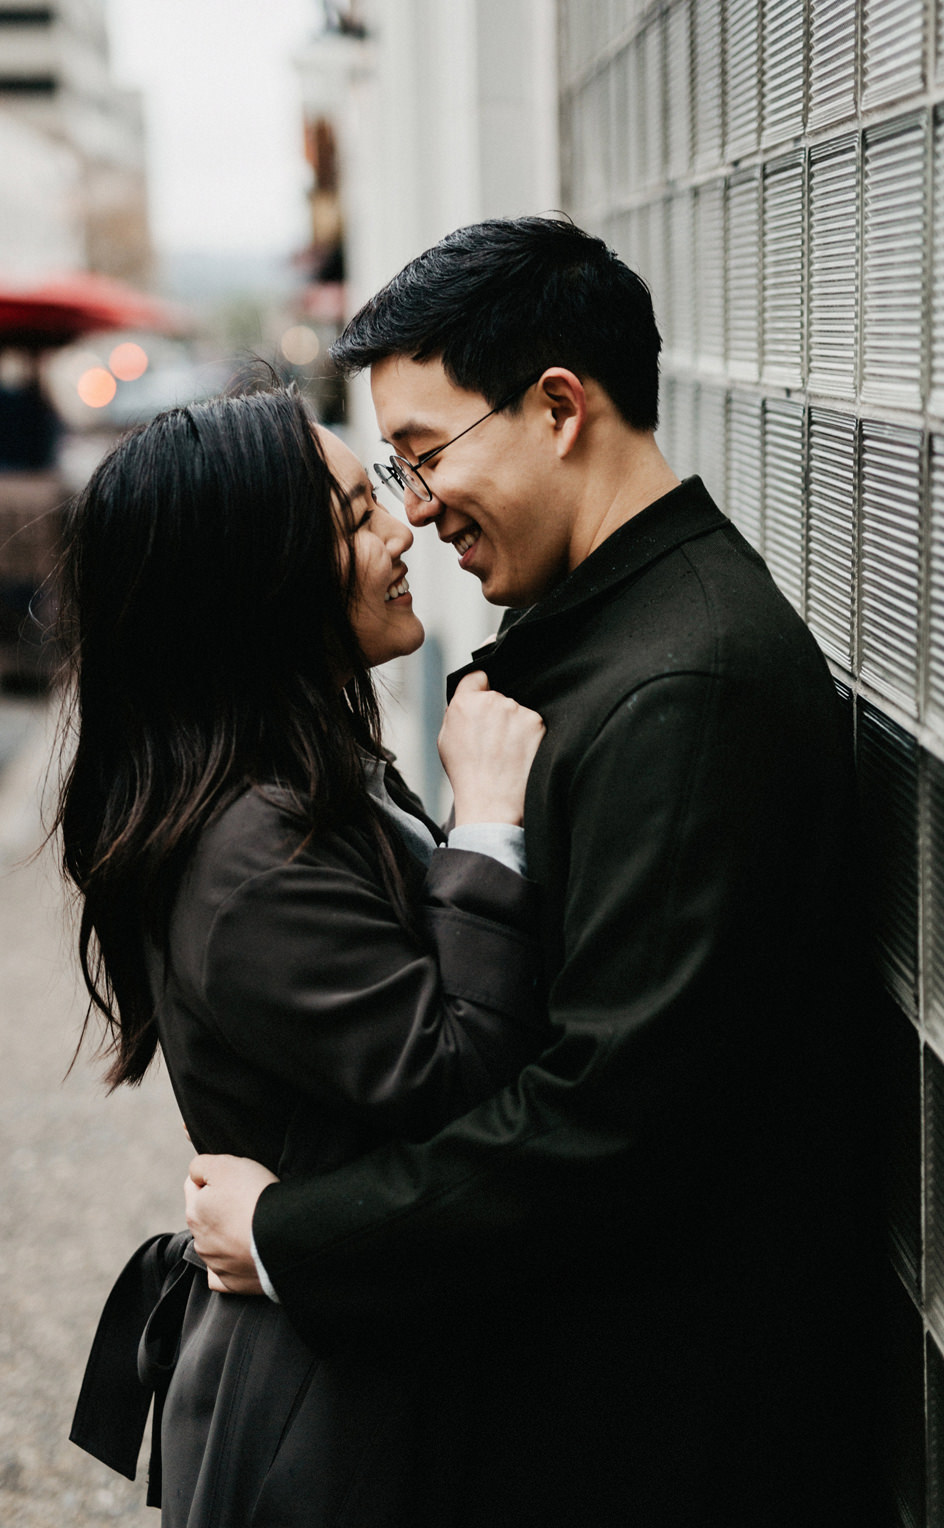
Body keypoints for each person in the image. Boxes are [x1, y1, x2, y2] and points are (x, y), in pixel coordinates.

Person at [183, 217, 880, 1524]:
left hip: (667, 1441)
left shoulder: (687, 690)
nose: (417, 507)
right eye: (388, 474)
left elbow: (601, 1125)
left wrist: (292, 1237)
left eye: (425, 455)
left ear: (559, 407)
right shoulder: (605, 636)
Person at [56, 385, 550, 1523]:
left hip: (356, 1332)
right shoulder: (250, 851)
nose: (399, 527)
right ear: (255, 584)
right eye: (349, 516)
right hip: (329, 1406)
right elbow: (462, 1080)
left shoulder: (289, 780)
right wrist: (486, 824)